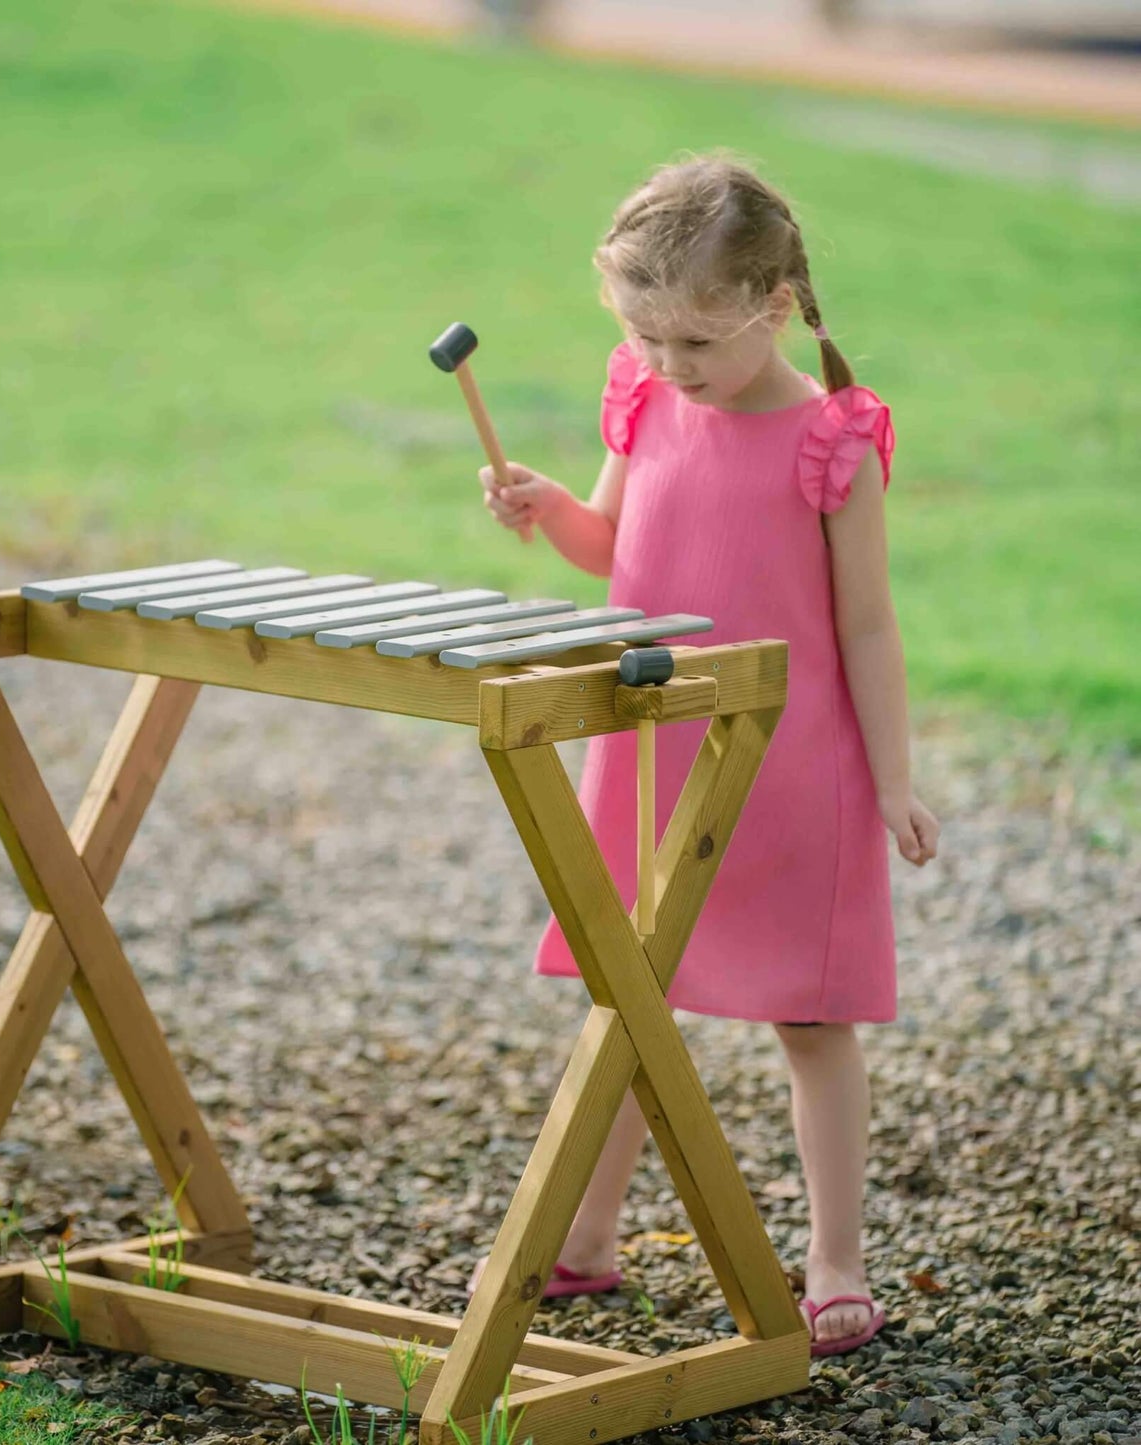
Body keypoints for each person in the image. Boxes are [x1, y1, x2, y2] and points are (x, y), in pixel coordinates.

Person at [469, 152, 940, 1357]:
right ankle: (585, 1236)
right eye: (647, 336)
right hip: (653, 748)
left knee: (810, 1020)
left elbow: (867, 625)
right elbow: (612, 545)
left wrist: (891, 780)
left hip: (791, 764)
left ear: (773, 305)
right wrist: (545, 507)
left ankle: (833, 1256)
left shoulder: (830, 437)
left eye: (693, 341)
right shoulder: (641, 393)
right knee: (630, 998)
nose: (668, 363)